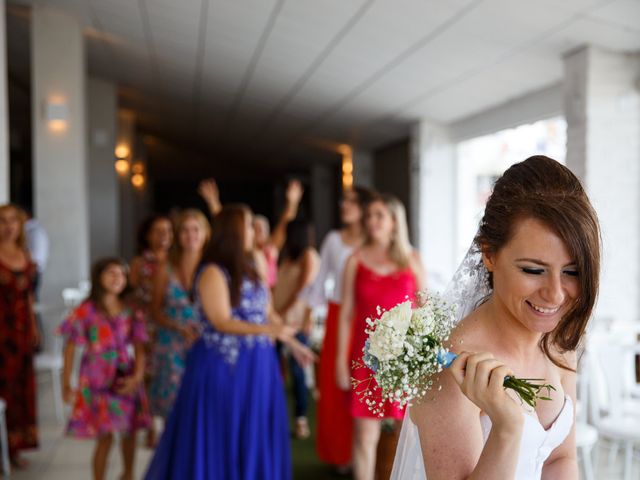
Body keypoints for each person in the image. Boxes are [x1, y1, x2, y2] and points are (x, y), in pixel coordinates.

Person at [391, 156, 601, 480]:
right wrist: (506, 429)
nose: (556, 295)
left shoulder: (561, 338)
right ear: (489, 254)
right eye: (533, 270)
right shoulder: (450, 369)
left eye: (572, 271)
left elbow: (560, 459)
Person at [144, 204, 315, 480]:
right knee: (223, 431)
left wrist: (293, 341)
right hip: (223, 365)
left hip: (259, 364)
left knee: (254, 430)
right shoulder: (212, 271)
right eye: (248, 226)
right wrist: (270, 330)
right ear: (234, 231)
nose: (253, 231)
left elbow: (267, 311)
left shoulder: (254, 264)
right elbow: (220, 320)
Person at [336, 194, 426, 480]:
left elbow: (424, 310)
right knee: (364, 436)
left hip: (404, 360)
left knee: (406, 436)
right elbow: (346, 314)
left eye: (379, 215)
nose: (372, 221)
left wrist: (424, 355)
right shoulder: (354, 261)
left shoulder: (411, 260)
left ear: (394, 221)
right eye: (369, 216)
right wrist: (340, 362)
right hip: (366, 359)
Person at [59, 258, 151, 480]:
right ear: (99, 277)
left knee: (129, 432)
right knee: (104, 435)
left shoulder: (131, 310)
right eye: (111, 273)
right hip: (96, 379)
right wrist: (66, 384)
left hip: (124, 377)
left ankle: (128, 474)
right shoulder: (86, 311)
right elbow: (70, 349)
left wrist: (137, 376)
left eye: (121, 274)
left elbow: (139, 346)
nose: (117, 278)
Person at [304, 186, 375, 470]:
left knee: (366, 382)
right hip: (337, 316)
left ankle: (368, 452)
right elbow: (320, 281)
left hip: (369, 317)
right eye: (343, 200)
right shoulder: (333, 239)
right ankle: (340, 454)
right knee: (336, 385)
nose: (344, 205)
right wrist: (308, 314)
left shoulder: (376, 241)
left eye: (351, 202)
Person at [148, 209, 209, 422]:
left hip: (204, 342)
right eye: (184, 230)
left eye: (196, 229)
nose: (190, 235)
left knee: (202, 406)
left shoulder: (212, 268)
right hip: (171, 343)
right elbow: (154, 311)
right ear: (177, 235)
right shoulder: (166, 268)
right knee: (173, 411)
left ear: (205, 234)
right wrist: (179, 328)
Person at [272, 220, 320, 439]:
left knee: (297, 371)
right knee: (273, 369)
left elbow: (303, 290)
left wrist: (280, 311)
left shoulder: (308, 256)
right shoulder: (287, 258)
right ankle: (274, 417)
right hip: (277, 321)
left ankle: (301, 419)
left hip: (295, 321)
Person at [0, 204, 39, 469]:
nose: (9, 226)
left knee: (19, 389)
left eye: (14, 221)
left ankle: (13, 448)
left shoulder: (24, 254)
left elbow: (28, 296)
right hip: (1, 330)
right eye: (3, 221)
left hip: (22, 329)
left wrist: (34, 326)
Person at [129, 214, 173, 447]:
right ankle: (150, 425)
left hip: (170, 326)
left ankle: (168, 424)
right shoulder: (140, 263)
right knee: (148, 376)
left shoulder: (176, 261)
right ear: (148, 235)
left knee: (168, 376)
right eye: (158, 230)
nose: (163, 235)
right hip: (147, 326)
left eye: (167, 230)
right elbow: (132, 296)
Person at [254, 179, 304, 288]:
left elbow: (284, 225)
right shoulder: (243, 252)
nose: (261, 231)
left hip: (270, 295)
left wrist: (292, 202)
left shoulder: (270, 248)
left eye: (264, 228)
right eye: (256, 228)